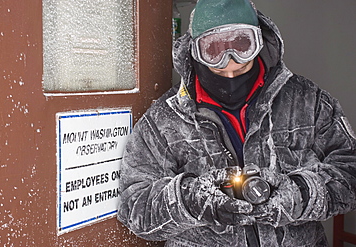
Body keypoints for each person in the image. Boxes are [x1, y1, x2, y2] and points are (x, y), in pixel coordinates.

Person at [117, 0, 356, 246]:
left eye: (242, 64)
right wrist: (191, 201)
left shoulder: (307, 101)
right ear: (194, 51)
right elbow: (134, 207)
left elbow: (350, 170)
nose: (230, 72)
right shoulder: (164, 120)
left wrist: (301, 193)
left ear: (259, 43)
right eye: (217, 68)